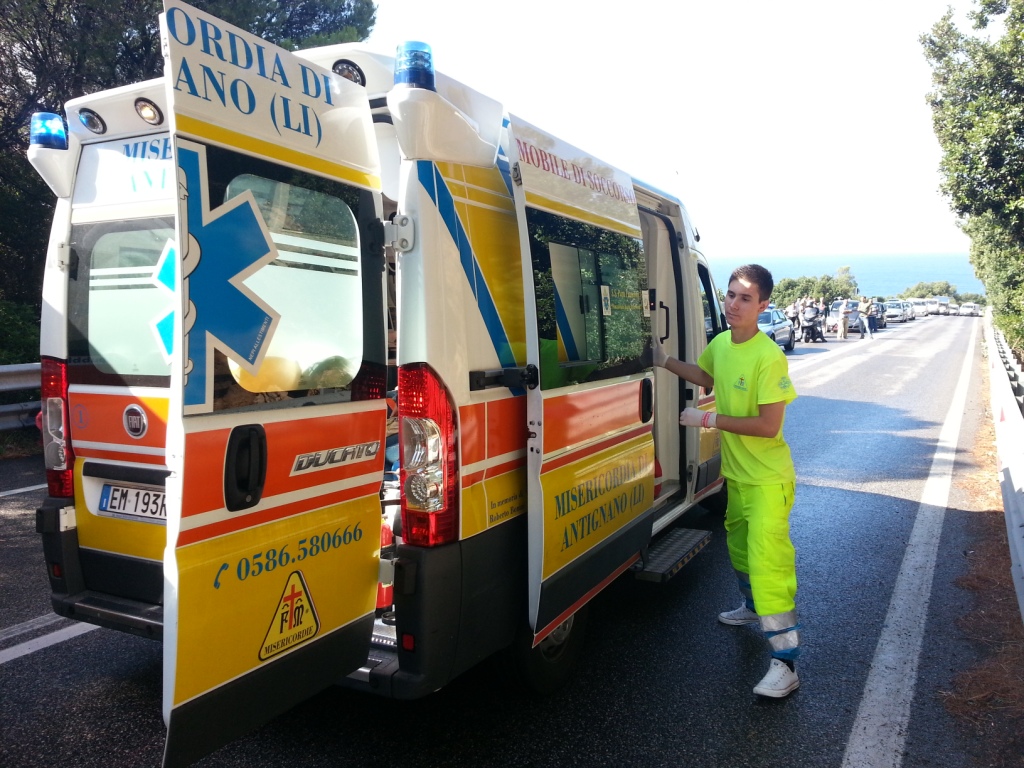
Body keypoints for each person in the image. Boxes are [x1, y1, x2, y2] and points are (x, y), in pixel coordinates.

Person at [654, 263, 800, 698]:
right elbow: (707, 375)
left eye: (745, 298)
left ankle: (787, 664)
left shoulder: (768, 356)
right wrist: (664, 361)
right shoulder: (721, 343)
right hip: (737, 477)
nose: (734, 304)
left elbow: (769, 426)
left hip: (769, 482)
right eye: (731, 295)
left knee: (769, 566)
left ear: (763, 305)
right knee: (738, 550)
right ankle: (752, 609)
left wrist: (708, 419)